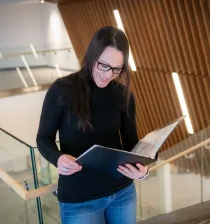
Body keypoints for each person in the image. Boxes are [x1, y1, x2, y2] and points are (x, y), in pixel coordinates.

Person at [36, 26, 149, 224]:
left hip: (122, 192)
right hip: (79, 199)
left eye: (117, 69)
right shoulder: (61, 90)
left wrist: (142, 171)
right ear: (91, 55)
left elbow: (131, 143)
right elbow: (43, 138)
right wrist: (58, 158)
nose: (108, 74)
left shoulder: (123, 95)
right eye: (103, 65)